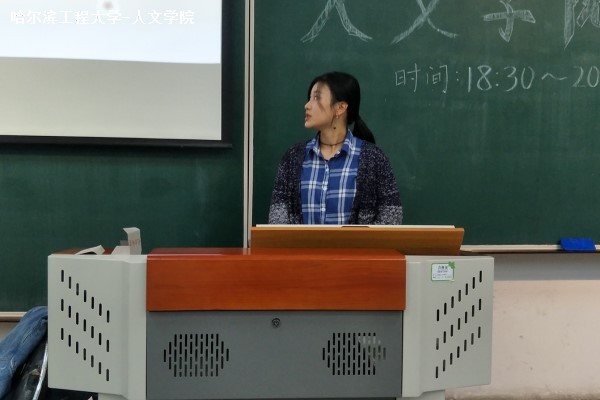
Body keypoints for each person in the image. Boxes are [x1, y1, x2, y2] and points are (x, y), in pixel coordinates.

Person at [268, 71, 402, 225]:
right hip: (301, 243)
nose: (307, 105)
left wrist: (360, 241)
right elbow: (277, 219)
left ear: (340, 107)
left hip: (359, 244)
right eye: (309, 98)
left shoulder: (375, 159)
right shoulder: (292, 158)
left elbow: (392, 216)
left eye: (316, 97)